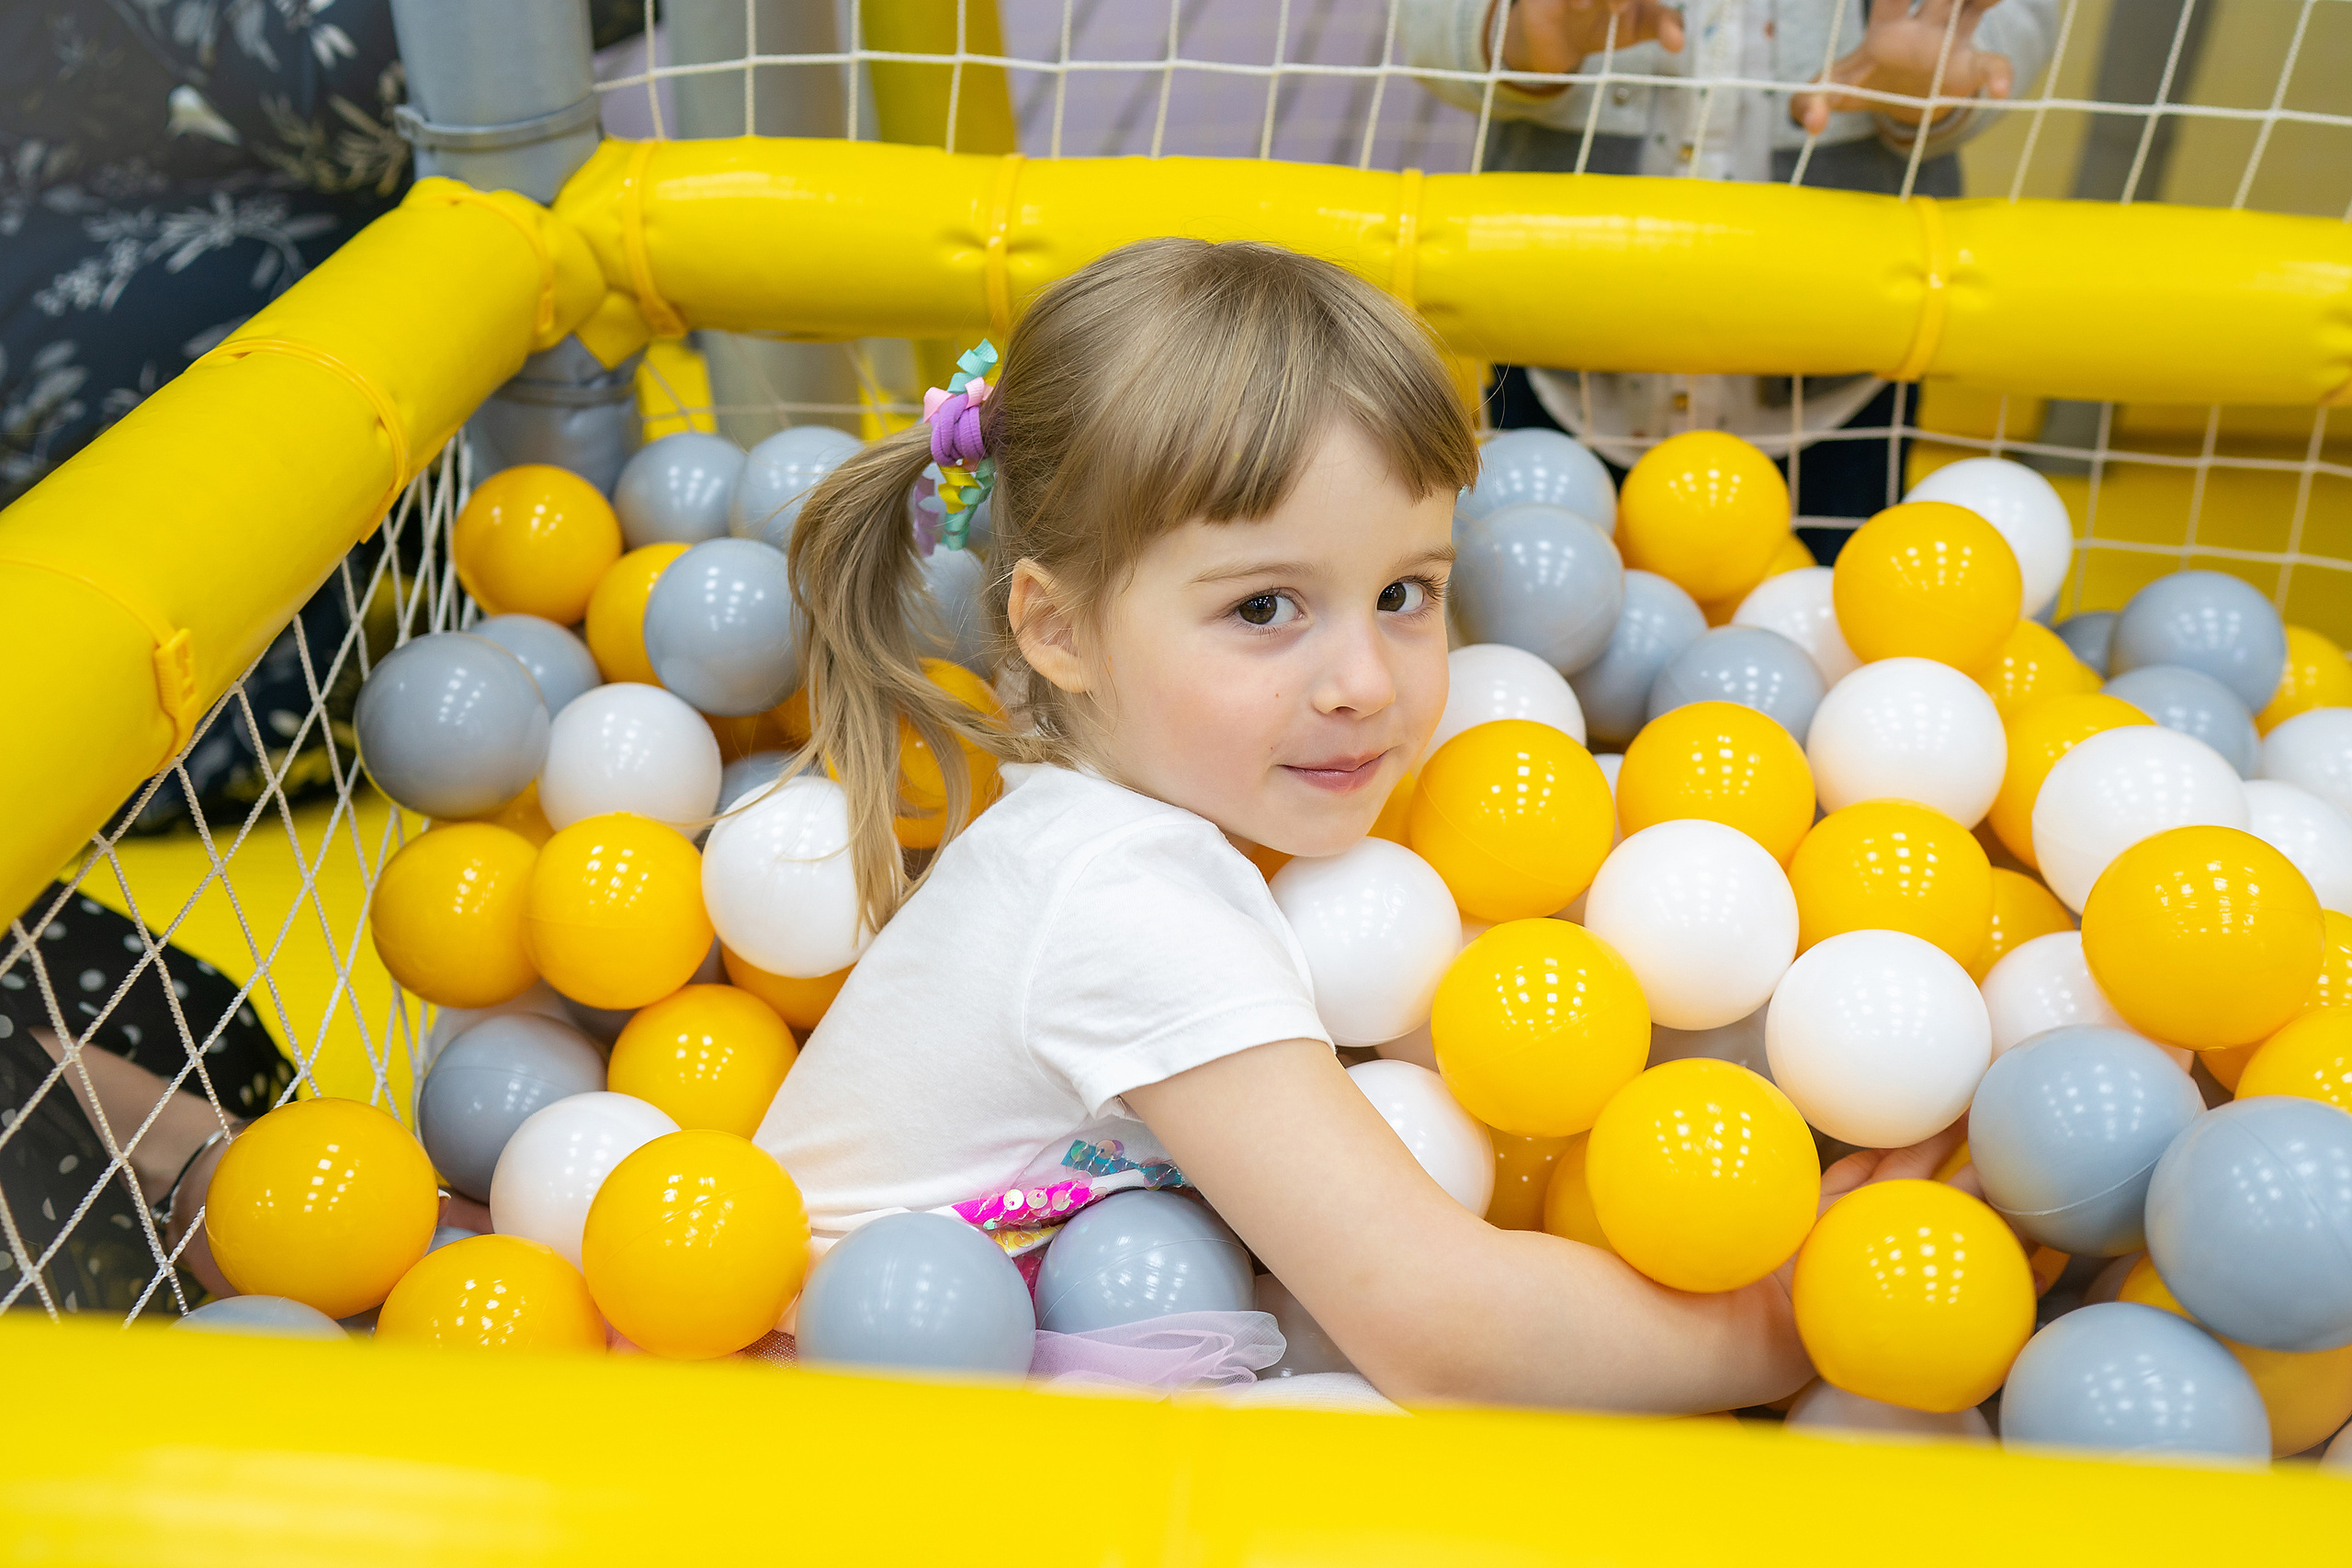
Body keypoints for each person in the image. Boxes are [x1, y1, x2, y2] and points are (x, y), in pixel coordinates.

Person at [756, 238, 1951, 1411]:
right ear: (1058, 630)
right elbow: (1437, 1323)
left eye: (1403, 594)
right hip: (858, 1423)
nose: (1364, 681)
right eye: (1266, 606)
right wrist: (1780, 1317)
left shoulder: (1107, 814)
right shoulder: (1124, 893)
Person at [1402, 0, 2062, 521]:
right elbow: (1428, 20)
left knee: (1835, 617)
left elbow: (2003, 23)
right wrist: (1517, 40)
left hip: (1843, 353)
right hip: (1557, 335)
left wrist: (1930, 89)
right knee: (1531, 616)